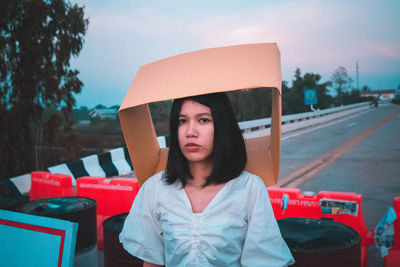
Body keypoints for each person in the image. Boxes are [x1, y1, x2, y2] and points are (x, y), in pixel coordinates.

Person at [119, 92, 294, 267]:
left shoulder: (250, 189)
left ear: (222, 126)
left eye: (203, 120)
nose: (190, 132)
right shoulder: (156, 188)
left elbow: (263, 261)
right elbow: (152, 261)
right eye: (182, 121)